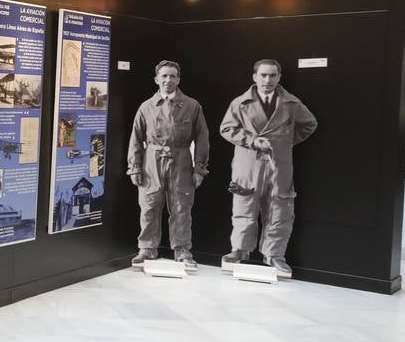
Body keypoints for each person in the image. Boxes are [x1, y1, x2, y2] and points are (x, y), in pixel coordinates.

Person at [219, 58, 317, 277]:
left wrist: (284, 142)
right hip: (248, 165)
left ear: (279, 77)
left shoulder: (291, 104)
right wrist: (252, 141)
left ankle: (274, 255)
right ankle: (239, 250)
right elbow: (226, 129)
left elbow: (309, 124)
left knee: (280, 209)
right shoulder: (240, 102)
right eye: (263, 75)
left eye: (272, 75)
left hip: (278, 166)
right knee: (244, 208)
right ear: (254, 77)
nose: (267, 80)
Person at [128, 60, 209, 270]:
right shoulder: (146, 107)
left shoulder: (192, 106)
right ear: (156, 79)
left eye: (172, 76)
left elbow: (202, 139)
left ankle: (182, 250)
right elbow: (136, 139)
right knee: (149, 204)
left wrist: (199, 168)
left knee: (182, 207)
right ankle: (147, 248)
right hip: (151, 161)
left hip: (181, 159)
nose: (168, 80)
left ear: (178, 80)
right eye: (164, 76)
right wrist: (135, 167)